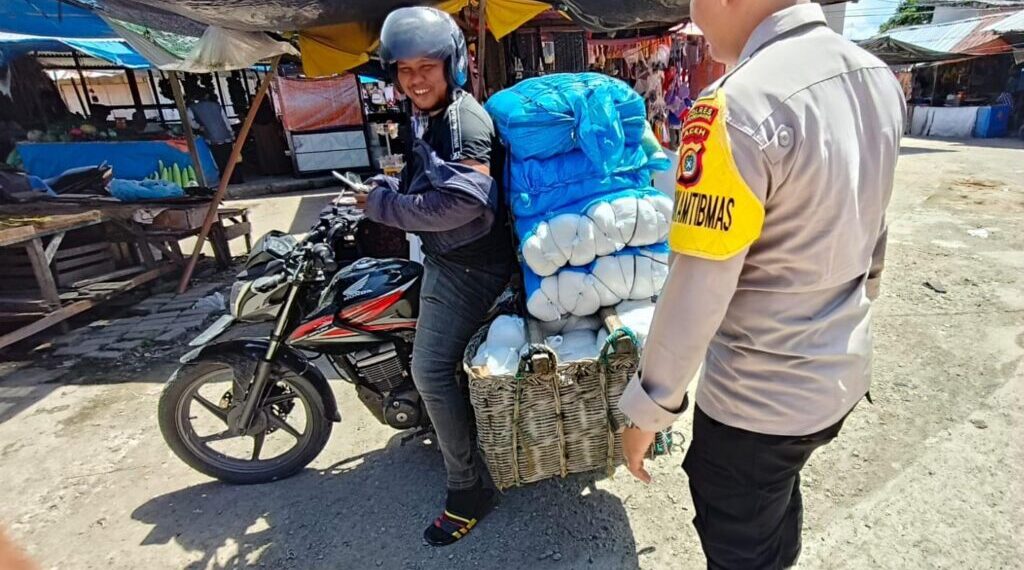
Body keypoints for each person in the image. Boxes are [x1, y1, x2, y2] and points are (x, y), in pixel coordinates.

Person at [618, 1, 906, 568]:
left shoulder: (737, 103)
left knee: (741, 538)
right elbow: (874, 219)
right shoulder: (875, 76)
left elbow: (699, 284)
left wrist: (647, 411)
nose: (696, 15)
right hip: (839, 373)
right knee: (773, 508)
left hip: (758, 403)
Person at [362, 6, 514, 547]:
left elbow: (463, 204)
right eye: (404, 69)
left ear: (453, 64)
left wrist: (383, 207)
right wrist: (390, 189)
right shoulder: (424, 114)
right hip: (448, 255)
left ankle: (468, 488)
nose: (416, 78)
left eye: (427, 66)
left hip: (470, 263)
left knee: (429, 370)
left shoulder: (464, 119)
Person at [188, 91, 242, 184]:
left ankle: (226, 180)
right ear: (207, 95)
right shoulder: (216, 106)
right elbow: (225, 121)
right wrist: (231, 134)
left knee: (219, 160)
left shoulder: (192, 108)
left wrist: (199, 127)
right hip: (225, 136)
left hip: (211, 137)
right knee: (230, 158)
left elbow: (189, 121)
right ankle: (236, 178)